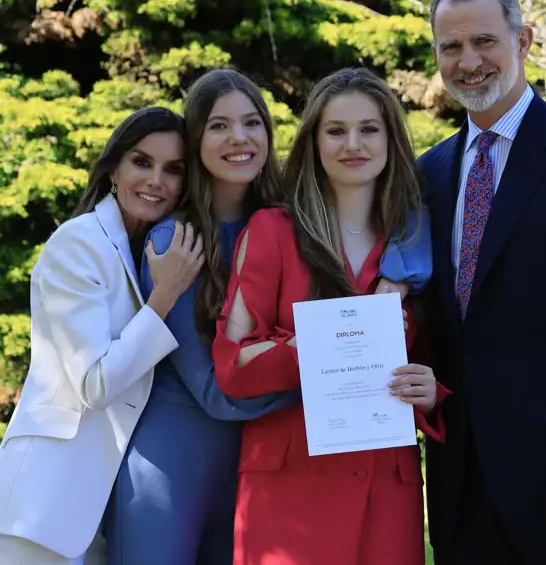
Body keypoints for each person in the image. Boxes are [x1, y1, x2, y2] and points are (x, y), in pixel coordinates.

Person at [107, 69, 434, 564]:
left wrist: (418, 380)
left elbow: (429, 340)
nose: (239, 139)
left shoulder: (342, 227)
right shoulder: (184, 242)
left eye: (251, 123)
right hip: (187, 454)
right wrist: (341, 355)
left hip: (310, 464)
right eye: (218, 126)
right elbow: (220, 388)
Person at [213, 67, 449, 565]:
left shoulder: (416, 244)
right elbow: (232, 366)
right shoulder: (273, 230)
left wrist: (430, 393)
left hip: (387, 487)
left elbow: (436, 362)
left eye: (368, 129)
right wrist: (326, 342)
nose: (353, 144)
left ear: (390, 139)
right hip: (289, 488)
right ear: (314, 142)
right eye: (336, 131)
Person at [418, 0, 546, 565]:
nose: (468, 61)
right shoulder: (430, 173)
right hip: (458, 486)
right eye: (451, 47)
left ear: (522, 40)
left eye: (485, 42)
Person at [0, 107, 204, 564]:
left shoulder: (144, 249)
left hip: (96, 517)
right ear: (114, 168)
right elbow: (94, 384)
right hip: (42, 511)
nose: (156, 180)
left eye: (173, 170)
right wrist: (165, 296)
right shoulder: (78, 243)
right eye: (141, 162)